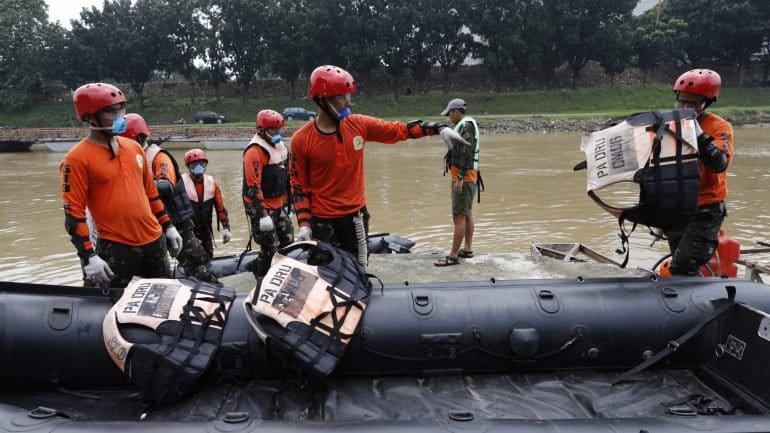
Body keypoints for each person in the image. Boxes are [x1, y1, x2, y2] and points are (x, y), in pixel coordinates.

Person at [289, 64, 448, 265]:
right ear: (322, 100)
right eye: (341, 97)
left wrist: (435, 128)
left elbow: (397, 130)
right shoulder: (301, 140)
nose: (348, 102)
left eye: (348, 96)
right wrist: (304, 225)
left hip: (354, 218)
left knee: (359, 268)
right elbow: (298, 187)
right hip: (321, 222)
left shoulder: (358, 125)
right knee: (323, 272)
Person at [60, 83, 183, 288]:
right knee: (110, 307)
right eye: (110, 111)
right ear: (89, 117)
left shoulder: (134, 147)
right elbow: (74, 215)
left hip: (154, 242)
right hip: (117, 247)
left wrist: (168, 226)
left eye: (121, 110)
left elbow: (150, 194)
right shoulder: (76, 159)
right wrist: (89, 256)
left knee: (163, 299)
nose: (119, 117)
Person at [120, 114, 223, 285]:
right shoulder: (130, 158)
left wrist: (138, 184)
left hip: (175, 221)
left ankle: (216, 290)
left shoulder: (158, 157)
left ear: (139, 137)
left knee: (194, 262)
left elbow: (166, 185)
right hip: (148, 224)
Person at [664, 69, 733, 276]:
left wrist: (697, 134)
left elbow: (720, 163)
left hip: (705, 209)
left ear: (707, 102)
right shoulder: (669, 125)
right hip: (678, 207)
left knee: (682, 268)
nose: (686, 108)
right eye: (682, 102)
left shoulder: (720, 127)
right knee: (678, 259)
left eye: (693, 103)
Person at [243, 109, 294, 275]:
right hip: (261, 206)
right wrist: (263, 214)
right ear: (261, 130)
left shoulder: (280, 147)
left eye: (279, 130)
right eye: (273, 130)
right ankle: (262, 275)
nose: (277, 133)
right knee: (269, 245)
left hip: (278, 203)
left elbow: (285, 177)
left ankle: (276, 269)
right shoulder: (254, 151)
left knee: (287, 239)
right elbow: (253, 186)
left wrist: (289, 203)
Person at [434, 98, 480, 266]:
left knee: (458, 217)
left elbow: (467, 151)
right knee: (467, 213)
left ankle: (453, 256)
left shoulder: (466, 125)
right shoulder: (467, 124)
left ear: (456, 112)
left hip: (463, 176)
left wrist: (460, 177)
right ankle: (467, 249)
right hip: (469, 175)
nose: (449, 118)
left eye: (449, 114)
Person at [181, 148, 231, 258]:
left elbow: (220, 208)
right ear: (188, 167)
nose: (199, 167)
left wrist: (226, 228)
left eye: (202, 164)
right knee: (193, 257)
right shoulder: (181, 184)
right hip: (188, 230)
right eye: (194, 165)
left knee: (208, 256)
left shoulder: (212, 184)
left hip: (205, 229)